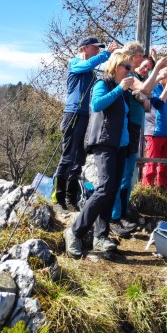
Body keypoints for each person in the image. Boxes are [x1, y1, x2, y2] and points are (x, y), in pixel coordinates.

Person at [64, 52, 134, 258]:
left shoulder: (123, 91)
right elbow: (97, 105)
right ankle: (75, 230)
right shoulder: (102, 84)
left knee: (111, 191)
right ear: (114, 66)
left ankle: (101, 236)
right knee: (104, 189)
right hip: (104, 143)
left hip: (120, 146)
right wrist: (120, 89)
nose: (130, 70)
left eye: (130, 67)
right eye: (126, 66)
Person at [109, 43, 167, 237]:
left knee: (128, 172)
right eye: (142, 59)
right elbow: (143, 90)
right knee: (119, 173)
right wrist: (157, 70)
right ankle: (115, 216)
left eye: (148, 64)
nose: (144, 64)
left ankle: (124, 212)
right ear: (135, 56)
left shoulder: (134, 77)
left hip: (135, 127)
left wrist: (151, 84)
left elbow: (147, 100)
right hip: (125, 126)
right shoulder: (127, 75)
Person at [53, 36, 118, 212]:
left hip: (85, 115)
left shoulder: (91, 72)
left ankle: (71, 198)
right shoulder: (74, 63)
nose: (97, 50)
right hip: (72, 113)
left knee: (79, 156)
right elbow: (86, 65)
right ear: (84, 48)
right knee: (68, 155)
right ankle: (58, 198)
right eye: (95, 47)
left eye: (99, 48)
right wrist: (106, 54)